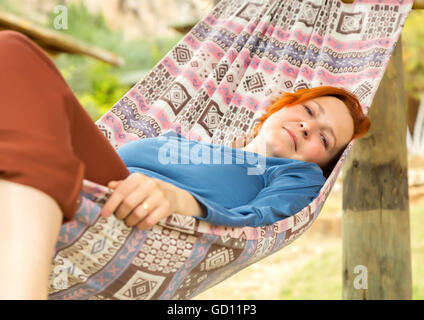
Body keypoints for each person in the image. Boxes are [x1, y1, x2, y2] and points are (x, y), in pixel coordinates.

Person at [0, 30, 370, 299]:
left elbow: (258, 222)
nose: (308, 127)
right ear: (282, 106)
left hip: (121, 208)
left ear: (322, 165)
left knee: (14, 51)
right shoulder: (189, 144)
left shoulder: (292, 175)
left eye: (324, 140)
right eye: (308, 111)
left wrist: (178, 200)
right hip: (72, 175)